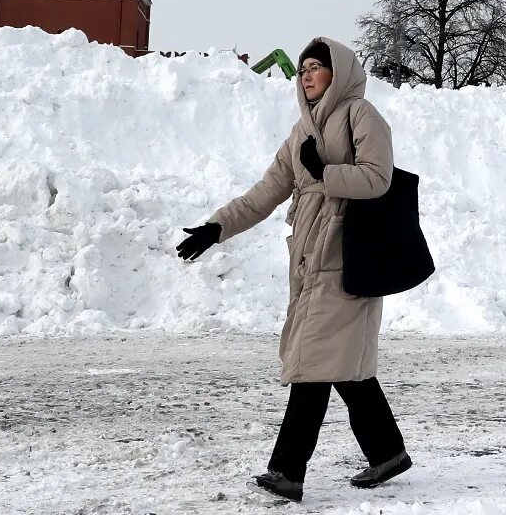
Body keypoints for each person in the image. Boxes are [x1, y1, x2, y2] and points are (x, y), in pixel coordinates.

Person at [176, 37, 412, 503]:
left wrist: (324, 173)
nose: (305, 75)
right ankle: (387, 452)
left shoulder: (361, 116)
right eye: (302, 68)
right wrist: (216, 226)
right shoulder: (300, 132)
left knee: (310, 364)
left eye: (315, 68)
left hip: (348, 259)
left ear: (337, 74)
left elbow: (379, 178)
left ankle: (288, 472)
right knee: (345, 366)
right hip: (309, 261)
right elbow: (265, 193)